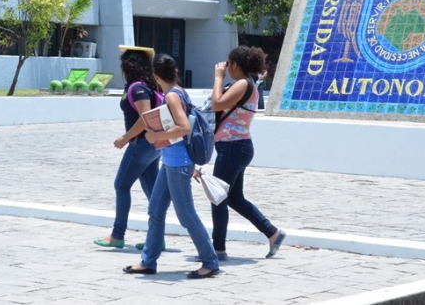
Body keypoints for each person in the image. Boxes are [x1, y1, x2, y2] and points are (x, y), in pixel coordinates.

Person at [123, 53, 220, 279]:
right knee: (155, 210)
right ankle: (148, 261)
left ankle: (210, 261)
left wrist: (156, 136)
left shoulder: (172, 97)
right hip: (171, 162)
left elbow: (184, 127)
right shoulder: (179, 92)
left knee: (186, 215)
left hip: (178, 164)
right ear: (175, 72)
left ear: (156, 76)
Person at [209, 45, 285, 260]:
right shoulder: (248, 84)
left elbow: (217, 104)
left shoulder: (242, 83)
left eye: (228, 64)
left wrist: (217, 77)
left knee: (218, 197)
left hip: (233, 146)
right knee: (234, 198)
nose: (226, 68)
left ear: (235, 65)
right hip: (238, 146)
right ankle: (272, 233)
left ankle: (218, 250)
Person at [94, 46, 161, 249]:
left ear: (129, 65)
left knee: (121, 186)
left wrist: (125, 138)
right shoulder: (147, 85)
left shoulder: (138, 88)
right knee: (152, 191)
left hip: (140, 144)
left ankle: (117, 235)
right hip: (152, 145)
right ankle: (157, 237)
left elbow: (145, 117)